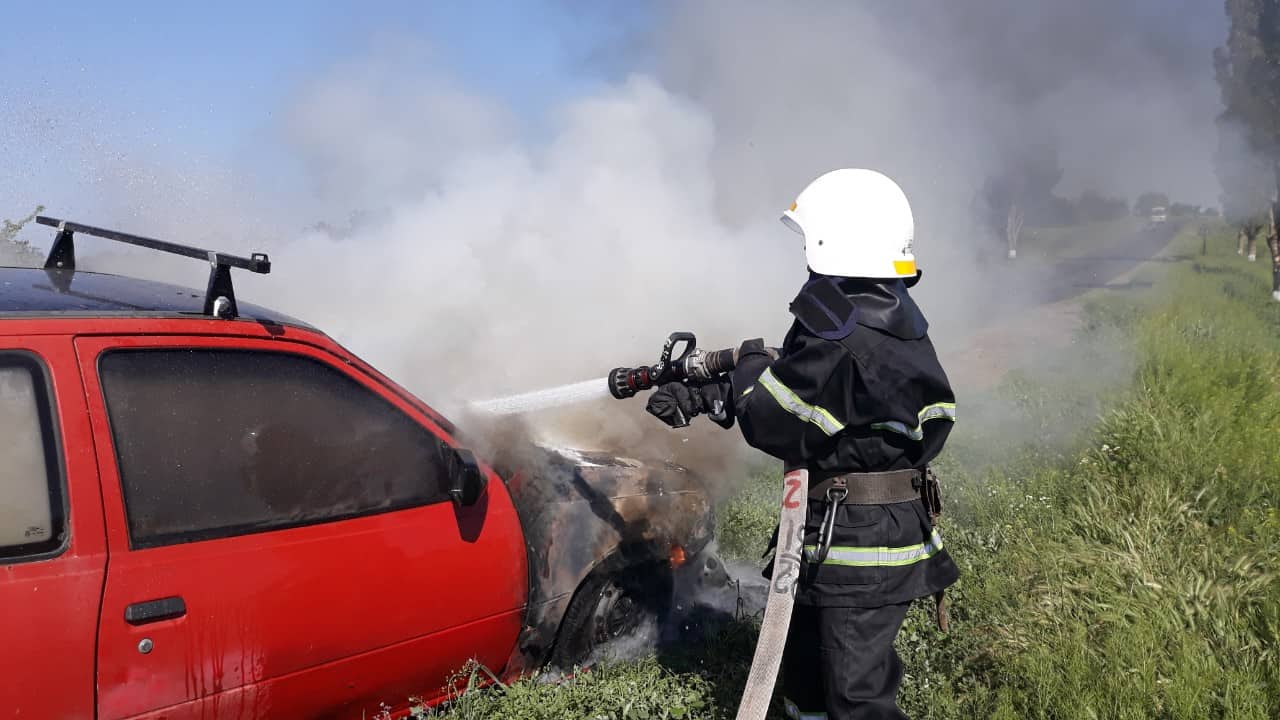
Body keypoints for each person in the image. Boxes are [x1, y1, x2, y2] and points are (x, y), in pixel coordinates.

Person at [645, 168, 959, 719]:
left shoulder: (847, 336)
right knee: (809, 678)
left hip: (862, 546)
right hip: (845, 534)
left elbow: (776, 417)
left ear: (833, 242)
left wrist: (746, 364)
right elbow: (817, 407)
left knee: (854, 697)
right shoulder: (885, 318)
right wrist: (710, 398)